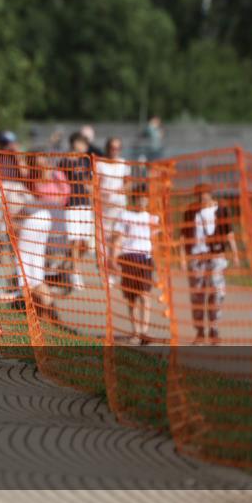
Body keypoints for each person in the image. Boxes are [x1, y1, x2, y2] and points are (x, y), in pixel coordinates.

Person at [180, 184, 240, 345]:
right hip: (196, 257)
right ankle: (200, 331)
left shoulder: (221, 210)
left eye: (204, 194)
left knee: (217, 291)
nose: (201, 197)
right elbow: (183, 236)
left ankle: (214, 329)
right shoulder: (190, 212)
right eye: (199, 195)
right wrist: (182, 258)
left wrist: (235, 254)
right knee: (197, 295)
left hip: (216, 256)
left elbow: (229, 232)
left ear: (210, 194)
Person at [110, 184, 159, 345]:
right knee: (131, 298)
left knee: (145, 296)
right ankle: (135, 331)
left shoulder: (153, 218)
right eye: (140, 197)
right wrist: (113, 259)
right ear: (135, 198)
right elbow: (117, 239)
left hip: (145, 259)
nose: (142, 200)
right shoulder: (124, 215)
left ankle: (144, 331)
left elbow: (156, 242)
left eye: (145, 198)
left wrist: (158, 264)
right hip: (128, 258)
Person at [57, 132, 94, 292]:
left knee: (85, 243)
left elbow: (90, 182)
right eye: (82, 143)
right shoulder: (64, 161)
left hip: (85, 204)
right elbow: (58, 181)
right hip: (71, 204)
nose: (85, 146)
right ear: (75, 143)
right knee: (75, 241)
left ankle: (66, 267)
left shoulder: (85, 161)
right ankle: (75, 273)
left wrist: (92, 197)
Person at [96, 137, 131, 289]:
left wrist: (120, 190)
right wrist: (102, 193)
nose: (114, 150)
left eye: (117, 148)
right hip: (103, 209)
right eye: (112, 147)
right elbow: (94, 184)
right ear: (107, 148)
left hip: (119, 208)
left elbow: (128, 183)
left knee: (117, 240)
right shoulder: (100, 164)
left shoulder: (124, 164)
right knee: (103, 243)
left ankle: (113, 269)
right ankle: (105, 273)